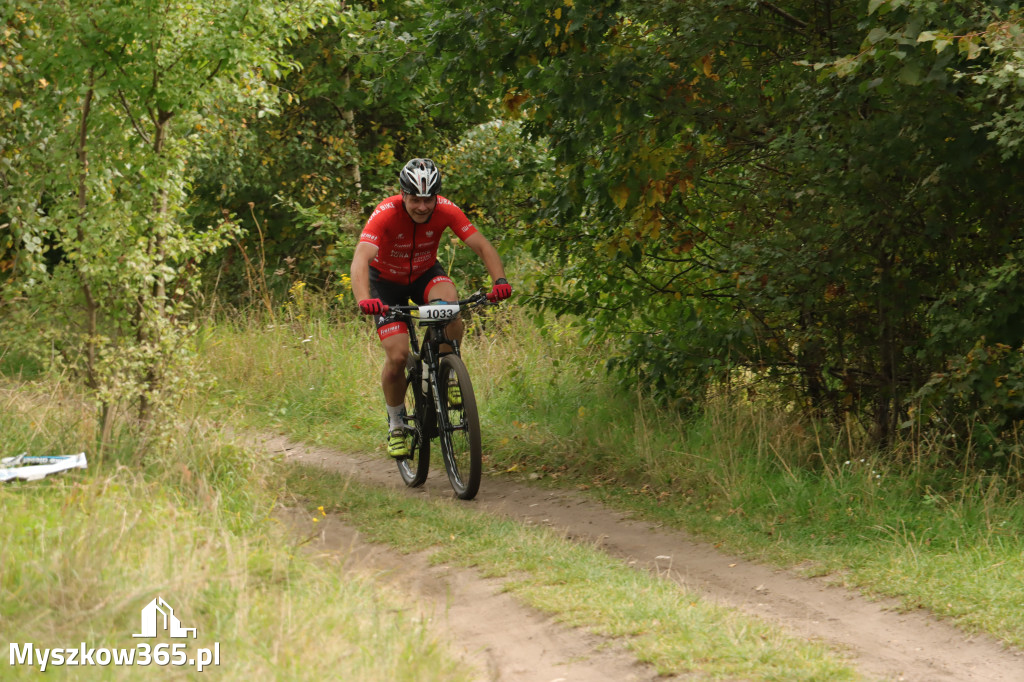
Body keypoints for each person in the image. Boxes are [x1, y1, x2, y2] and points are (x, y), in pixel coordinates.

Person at [350, 158, 513, 457]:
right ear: (403, 194)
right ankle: (397, 424)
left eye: (428, 199)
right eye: (415, 200)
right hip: (385, 284)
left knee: (451, 306)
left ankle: (448, 370)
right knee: (398, 356)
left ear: (436, 195)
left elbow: (482, 245)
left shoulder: (446, 209)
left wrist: (499, 279)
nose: (422, 207)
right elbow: (361, 259)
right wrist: (364, 299)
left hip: (425, 274)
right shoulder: (385, 213)